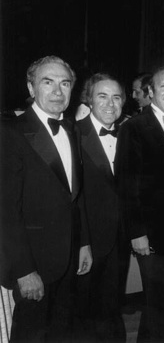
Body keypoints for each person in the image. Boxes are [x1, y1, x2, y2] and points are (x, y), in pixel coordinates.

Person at [0, 55, 93, 341]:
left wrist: (84, 242)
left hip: (68, 259)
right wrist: (25, 270)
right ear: (31, 89)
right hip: (34, 263)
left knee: (61, 334)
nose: (57, 91)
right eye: (47, 82)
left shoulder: (71, 130)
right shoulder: (10, 133)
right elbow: (5, 210)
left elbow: (75, 198)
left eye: (64, 83)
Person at [115, 66, 164, 342]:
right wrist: (137, 232)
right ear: (150, 92)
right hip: (150, 229)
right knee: (160, 301)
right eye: (163, 87)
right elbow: (126, 186)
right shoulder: (134, 128)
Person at [76, 73, 127, 341]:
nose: (110, 104)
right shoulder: (73, 133)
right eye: (102, 96)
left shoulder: (129, 132)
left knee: (111, 306)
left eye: (116, 97)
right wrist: (83, 241)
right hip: (87, 241)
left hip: (119, 237)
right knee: (85, 311)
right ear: (89, 100)